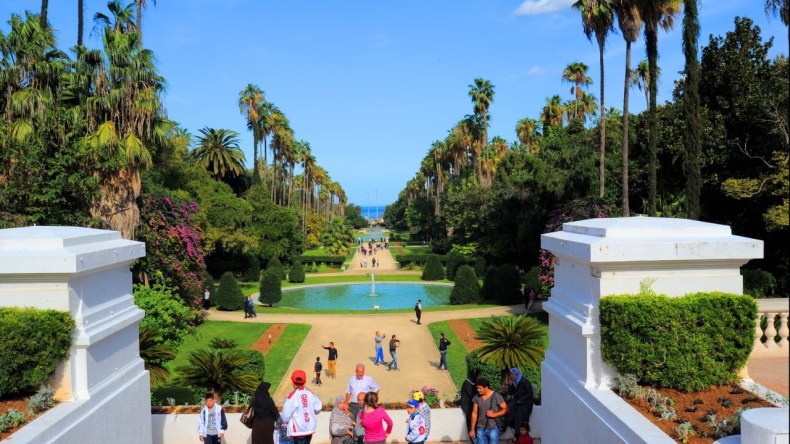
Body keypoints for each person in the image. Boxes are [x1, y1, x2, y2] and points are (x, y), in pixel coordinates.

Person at [281, 370, 323, 444]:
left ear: (292, 382)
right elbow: (318, 408)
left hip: (298, 431)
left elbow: (285, 416)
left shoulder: (292, 396)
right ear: (305, 381)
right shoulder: (310, 393)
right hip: (309, 429)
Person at [470, 376, 507, 444]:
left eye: (480, 388)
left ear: (486, 387)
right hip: (480, 429)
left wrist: (494, 414)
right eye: (477, 388)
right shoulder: (476, 397)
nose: (478, 390)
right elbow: (474, 413)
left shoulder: (496, 396)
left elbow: (505, 409)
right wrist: (472, 429)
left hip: (493, 429)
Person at [506, 367, 534, 438]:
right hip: (518, 402)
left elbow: (530, 393)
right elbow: (512, 393)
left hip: (526, 403)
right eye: (510, 375)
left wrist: (521, 400)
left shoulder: (524, 382)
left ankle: (517, 434)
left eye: (512, 374)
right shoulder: (515, 383)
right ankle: (507, 423)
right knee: (510, 408)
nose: (511, 376)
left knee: (519, 414)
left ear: (516, 374)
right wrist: (510, 385)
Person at [460, 369, 480, 437]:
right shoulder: (467, 384)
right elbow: (472, 395)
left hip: (471, 404)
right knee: (471, 422)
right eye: (477, 376)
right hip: (467, 405)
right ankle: (474, 438)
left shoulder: (472, 382)